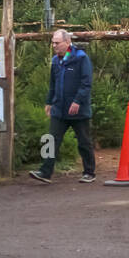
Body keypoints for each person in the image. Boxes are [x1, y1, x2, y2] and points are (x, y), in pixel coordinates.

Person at [29, 29, 96, 183]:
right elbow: (52, 84)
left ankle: (89, 172)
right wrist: (49, 102)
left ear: (67, 43)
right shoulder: (56, 61)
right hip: (59, 109)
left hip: (78, 110)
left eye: (57, 43)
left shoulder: (81, 58)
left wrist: (77, 101)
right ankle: (45, 172)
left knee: (84, 141)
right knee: (50, 139)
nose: (54, 46)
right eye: (53, 43)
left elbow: (86, 83)